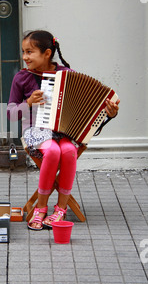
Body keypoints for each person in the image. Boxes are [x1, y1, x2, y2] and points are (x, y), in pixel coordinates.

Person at [7, 30, 120, 230]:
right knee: (52, 151)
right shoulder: (21, 78)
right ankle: (41, 208)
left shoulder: (67, 75)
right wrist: (29, 103)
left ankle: (61, 208)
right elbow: (11, 113)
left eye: (30, 52)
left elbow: (89, 113)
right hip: (35, 131)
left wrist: (109, 114)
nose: (25, 57)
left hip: (66, 132)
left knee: (67, 151)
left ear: (47, 53)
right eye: (23, 52)